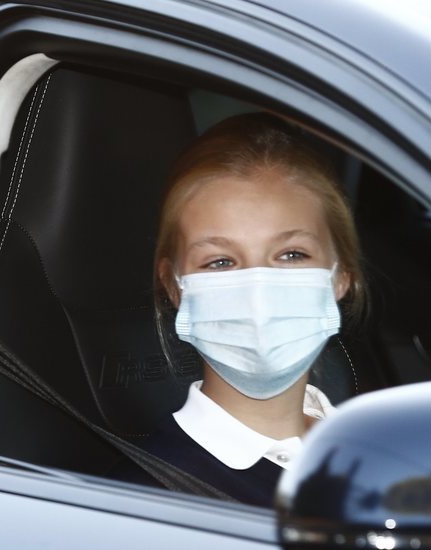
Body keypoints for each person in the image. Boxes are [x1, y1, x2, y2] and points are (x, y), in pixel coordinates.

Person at [136, 112, 366, 507]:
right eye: (220, 262)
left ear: (340, 276)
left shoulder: (382, 452)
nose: (258, 292)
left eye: (291, 254)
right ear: (174, 286)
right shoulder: (147, 502)